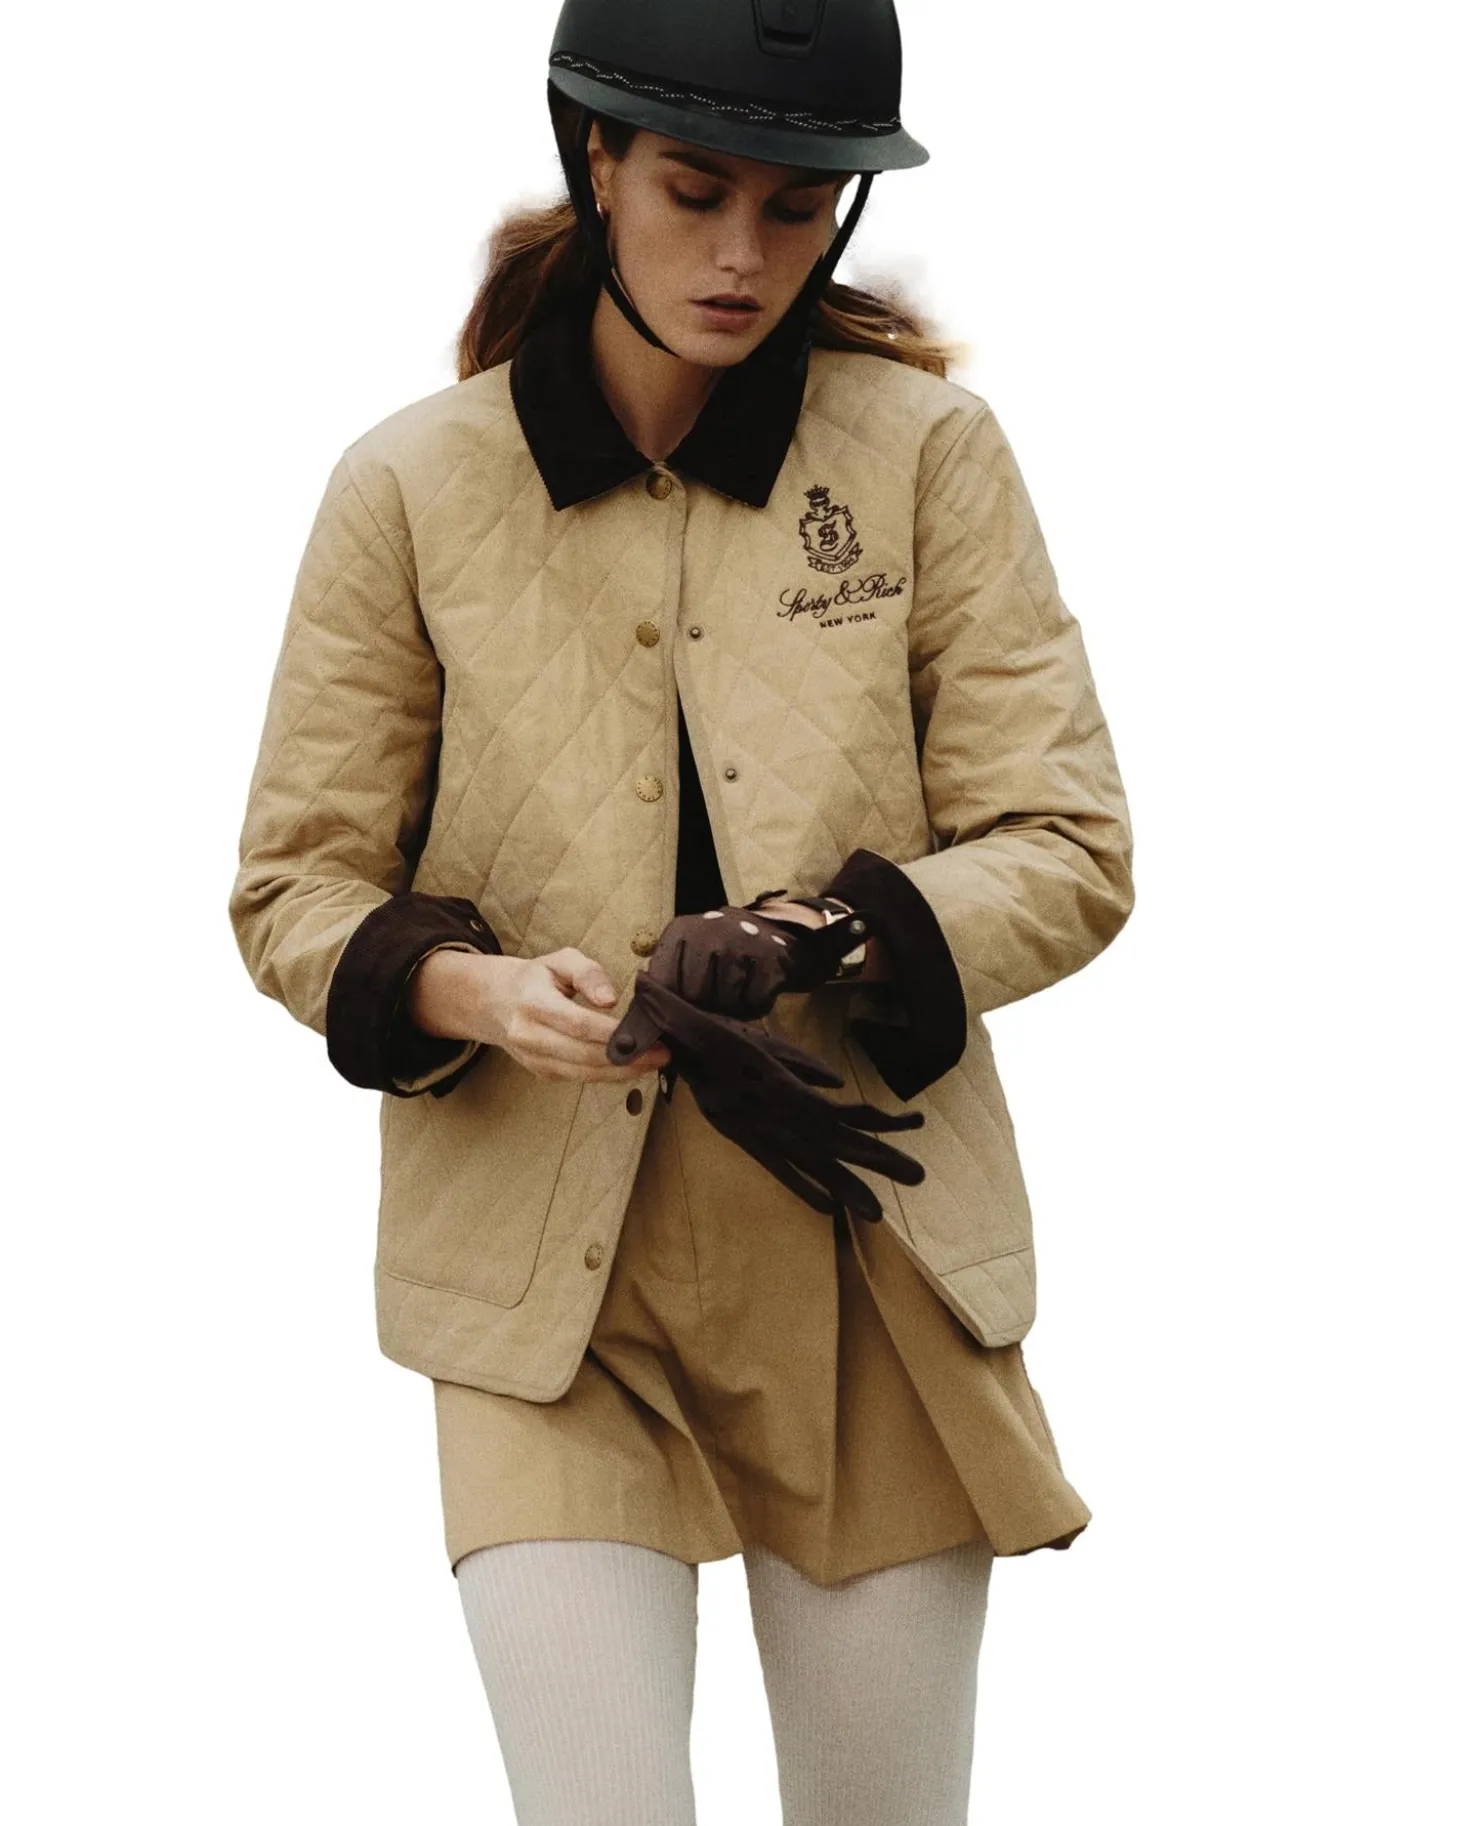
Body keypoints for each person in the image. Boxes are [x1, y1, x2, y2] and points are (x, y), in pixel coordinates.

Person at [227, 1, 1135, 1820]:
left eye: (797, 208)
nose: (743, 257)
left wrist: (821, 936)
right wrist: (479, 992)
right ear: (597, 162)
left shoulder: (928, 456)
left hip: (870, 1261)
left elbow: (1067, 842)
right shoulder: (409, 486)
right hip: (544, 1292)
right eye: (695, 193)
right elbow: (295, 885)